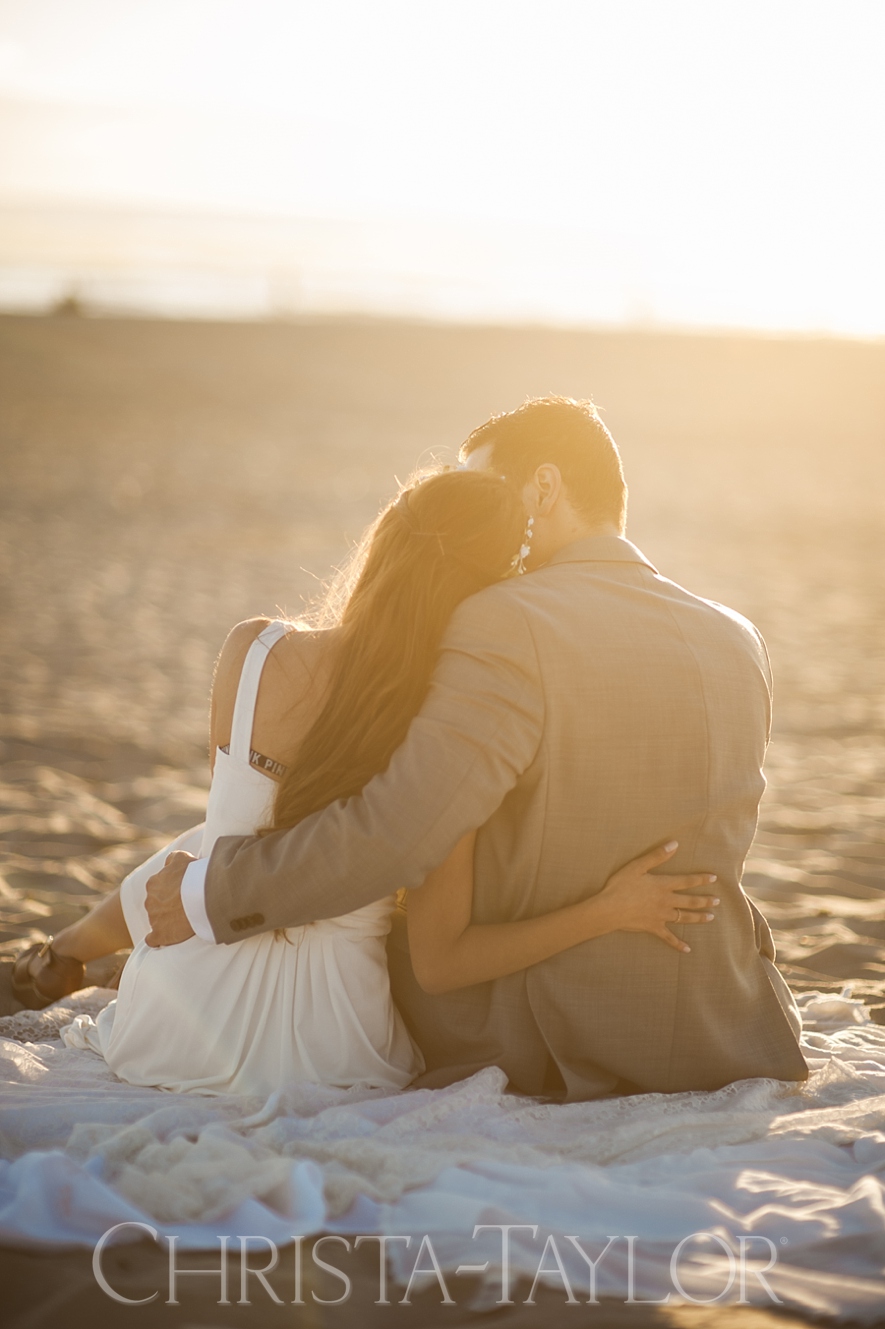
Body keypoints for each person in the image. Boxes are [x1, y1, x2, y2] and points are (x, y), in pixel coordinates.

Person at [143, 396, 808, 1101]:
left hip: (554, 1040)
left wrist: (212, 890)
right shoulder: (737, 636)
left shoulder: (505, 621)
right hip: (721, 1022)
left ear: (544, 488)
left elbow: (397, 832)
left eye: (483, 490)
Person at [14, 466, 717, 1096]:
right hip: (334, 1050)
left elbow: (232, 834)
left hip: (173, 1030)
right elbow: (441, 964)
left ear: (384, 544)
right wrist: (606, 909)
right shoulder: (449, 736)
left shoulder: (254, 650)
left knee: (219, 832)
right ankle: (74, 952)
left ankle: (66, 953)